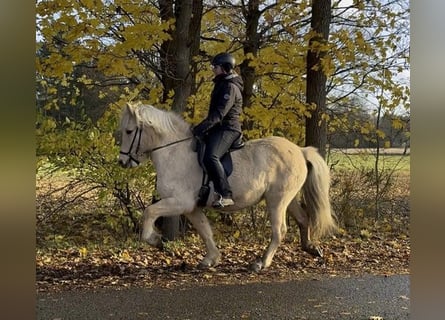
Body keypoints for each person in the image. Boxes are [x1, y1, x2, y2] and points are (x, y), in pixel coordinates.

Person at [192, 52, 244, 208]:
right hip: (218, 128)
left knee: (211, 156)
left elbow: (219, 114)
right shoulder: (221, 83)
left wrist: (201, 127)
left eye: (215, 67)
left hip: (229, 129)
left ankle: (225, 194)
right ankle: (205, 189)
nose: (213, 69)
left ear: (225, 68)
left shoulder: (230, 87)